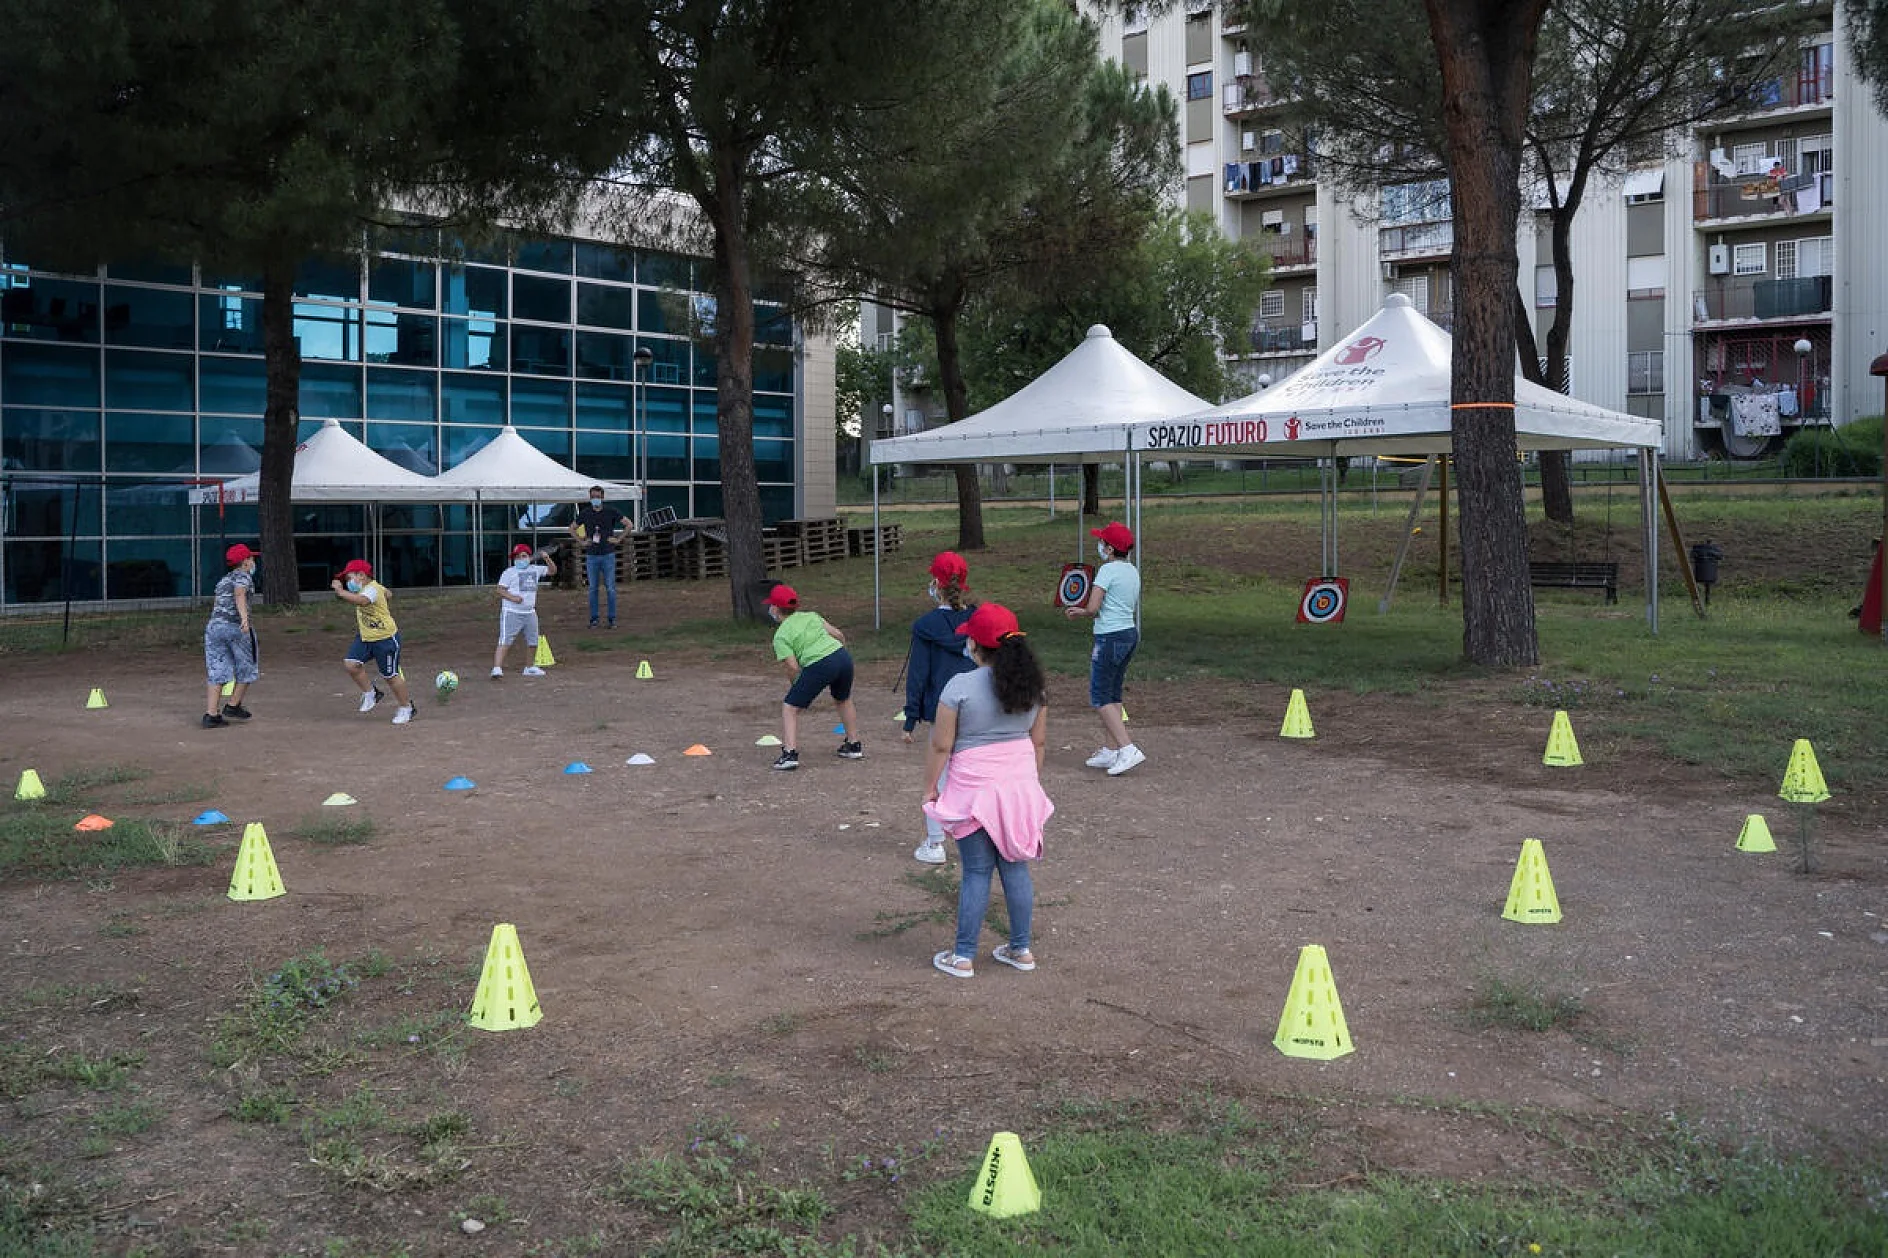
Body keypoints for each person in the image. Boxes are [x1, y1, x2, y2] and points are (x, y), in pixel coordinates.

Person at [926, 602, 1053, 979]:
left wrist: (930, 788)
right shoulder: (1034, 687)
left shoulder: (959, 687)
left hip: (973, 790)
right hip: (1018, 786)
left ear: (976, 646)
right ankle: (1021, 949)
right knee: (1016, 868)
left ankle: (963, 956)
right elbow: (1039, 743)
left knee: (977, 872)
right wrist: (1027, 785)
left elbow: (940, 745)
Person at [903, 552, 977, 865]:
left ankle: (935, 843)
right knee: (973, 773)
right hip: (978, 708)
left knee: (937, 777)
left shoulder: (925, 626)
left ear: (936, 583)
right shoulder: (979, 619)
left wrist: (910, 718)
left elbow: (918, 673)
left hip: (942, 710)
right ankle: (979, 836)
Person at [1064, 521, 1144, 775]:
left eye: (1102, 542)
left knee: (1099, 696)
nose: (1099, 546)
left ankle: (1127, 748)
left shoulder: (1107, 571)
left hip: (1109, 637)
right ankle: (1111, 751)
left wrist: (1081, 612)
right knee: (1114, 694)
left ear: (1109, 549)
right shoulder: (1132, 570)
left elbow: (1093, 606)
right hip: (1129, 634)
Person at [764, 583, 863, 770]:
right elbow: (838, 634)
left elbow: (792, 667)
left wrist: (797, 687)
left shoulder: (781, 635)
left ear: (776, 609)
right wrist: (841, 655)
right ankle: (853, 744)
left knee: (790, 707)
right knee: (843, 699)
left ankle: (790, 754)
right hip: (842, 657)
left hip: (821, 664)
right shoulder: (811, 616)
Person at [331, 559, 417, 725]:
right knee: (351, 663)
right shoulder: (372, 588)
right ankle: (371, 693)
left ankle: (407, 707)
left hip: (385, 639)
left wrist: (341, 592)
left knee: (390, 676)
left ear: (362, 575)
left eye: (350, 578)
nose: (348, 583)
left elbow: (363, 601)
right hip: (366, 637)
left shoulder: (371, 590)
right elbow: (388, 593)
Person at [202, 542, 260, 729]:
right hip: (235, 628)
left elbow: (217, 604)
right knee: (248, 666)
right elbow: (240, 593)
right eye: (251, 559)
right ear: (244, 562)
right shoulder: (243, 577)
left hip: (214, 628)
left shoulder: (223, 580)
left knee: (217, 668)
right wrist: (244, 619)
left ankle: (211, 714)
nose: (253, 562)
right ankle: (233, 705)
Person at [493, 542, 557, 678]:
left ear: (529, 557)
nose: (519, 559)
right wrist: (512, 597)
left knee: (533, 640)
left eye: (522, 556)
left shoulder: (535, 569)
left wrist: (547, 558)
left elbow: (552, 571)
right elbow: (500, 589)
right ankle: (497, 668)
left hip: (529, 612)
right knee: (505, 640)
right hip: (511, 611)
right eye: (517, 557)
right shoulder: (509, 572)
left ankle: (530, 667)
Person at [571, 486, 628, 628]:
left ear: (602, 497)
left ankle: (612, 618)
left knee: (610, 588)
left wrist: (618, 539)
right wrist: (582, 542)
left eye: (598, 496)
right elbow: (571, 528)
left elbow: (628, 524)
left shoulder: (611, 511)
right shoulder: (585, 513)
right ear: (590, 498)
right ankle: (594, 618)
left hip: (608, 554)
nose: (595, 499)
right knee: (593, 589)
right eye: (593, 496)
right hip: (592, 556)